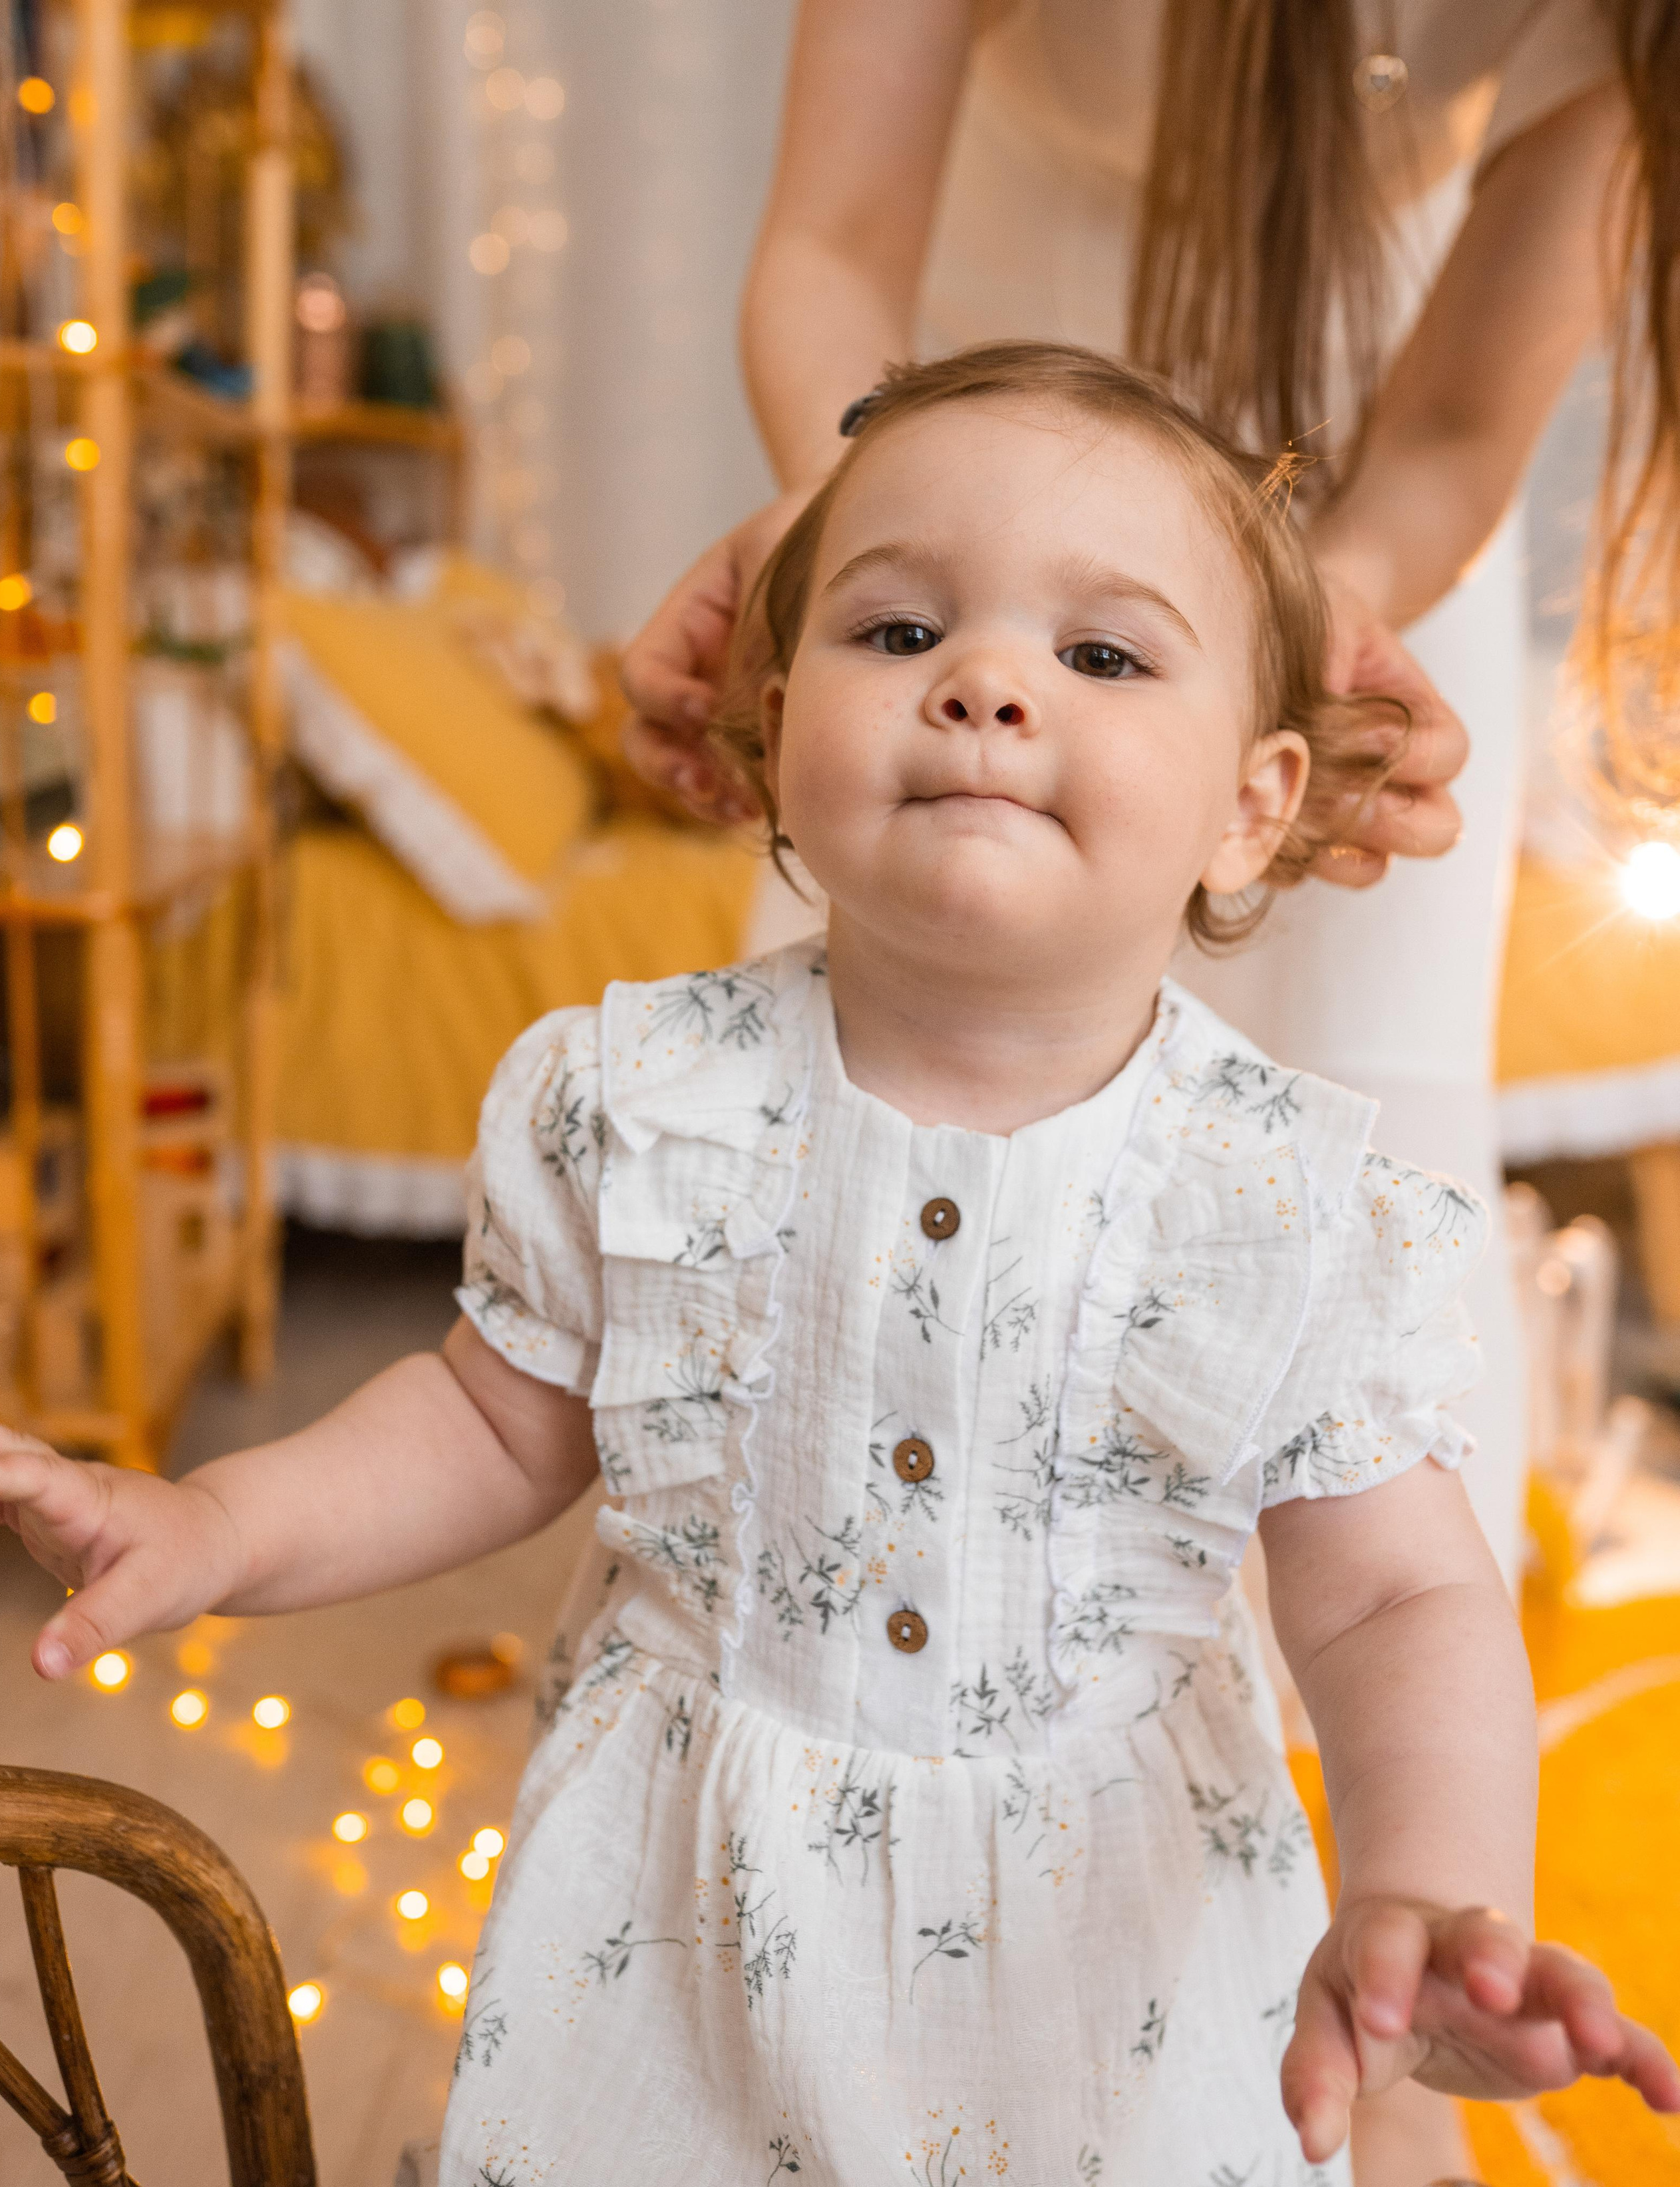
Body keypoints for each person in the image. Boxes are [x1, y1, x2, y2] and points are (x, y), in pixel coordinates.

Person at [0, 345, 1676, 2187]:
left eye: (1101, 656)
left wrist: (1431, 1892)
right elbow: (490, 1421)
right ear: (777, 729)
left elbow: (1396, 1602)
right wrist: (215, 1527)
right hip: (687, 1920)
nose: (986, 685)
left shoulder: (1278, 1192)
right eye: (899, 632)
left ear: (1253, 805)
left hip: (1114, 1959)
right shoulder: (641, 1096)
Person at [621, 1, 1680, 1629]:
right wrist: (846, 535)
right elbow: (828, 245)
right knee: (879, 1086)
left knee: (1367, 1157)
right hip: (963, 474)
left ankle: (1323, 1728)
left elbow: (1454, 428)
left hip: (1351, 541)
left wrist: (1293, 627)